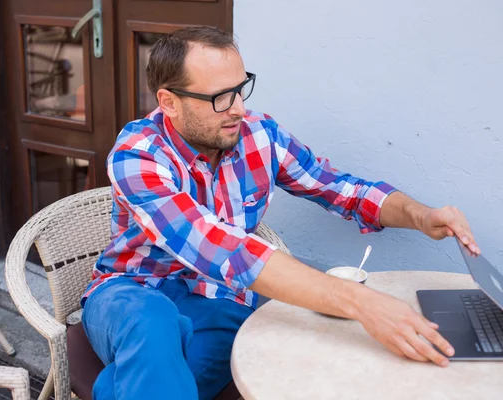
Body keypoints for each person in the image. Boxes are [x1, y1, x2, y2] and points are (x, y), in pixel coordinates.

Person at [80, 26, 481, 400]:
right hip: (133, 289)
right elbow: (215, 244)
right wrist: (360, 303)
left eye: (240, 89)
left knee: (216, 346)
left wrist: (420, 215)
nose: (237, 108)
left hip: (217, 302)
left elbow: (342, 189)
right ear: (169, 102)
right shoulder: (138, 153)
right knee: (153, 326)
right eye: (220, 97)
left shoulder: (260, 135)